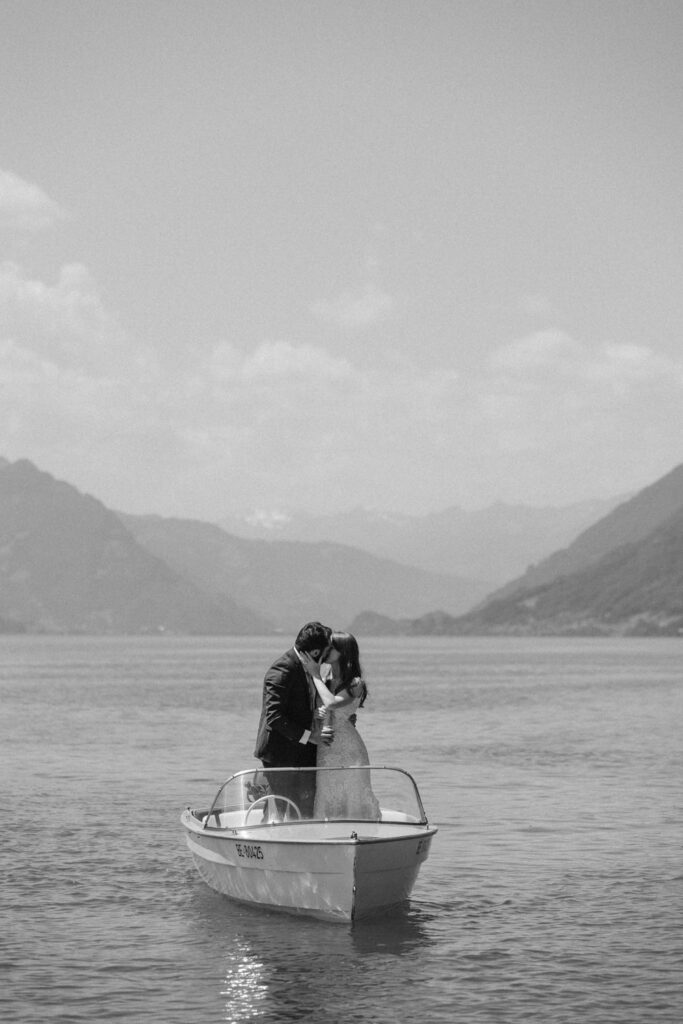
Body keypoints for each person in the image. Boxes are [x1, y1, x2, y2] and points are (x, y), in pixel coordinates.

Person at [253, 621, 332, 817]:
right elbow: (274, 717)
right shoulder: (282, 670)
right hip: (280, 754)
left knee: (301, 810)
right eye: (326, 651)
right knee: (279, 811)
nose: (327, 657)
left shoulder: (306, 668)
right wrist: (309, 736)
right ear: (315, 652)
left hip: (301, 752)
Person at [300, 631, 380, 820]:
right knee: (327, 792)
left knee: (352, 794)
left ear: (344, 652)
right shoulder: (326, 680)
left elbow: (332, 703)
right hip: (326, 748)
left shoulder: (355, 683)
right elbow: (321, 708)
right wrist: (317, 715)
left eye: (332, 646)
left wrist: (314, 675)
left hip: (348, 748)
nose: (326, 650)